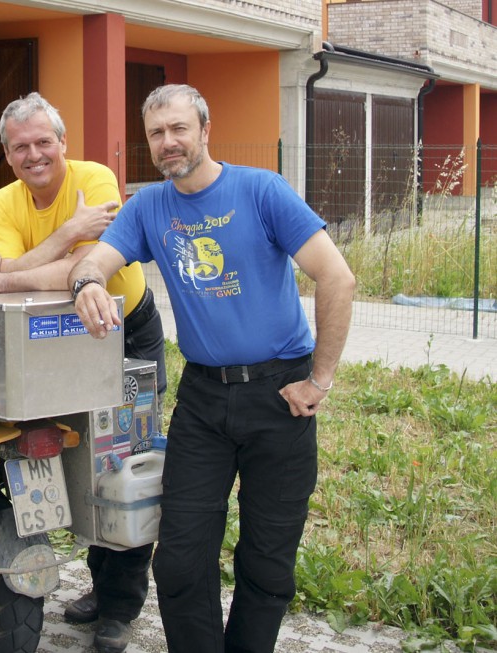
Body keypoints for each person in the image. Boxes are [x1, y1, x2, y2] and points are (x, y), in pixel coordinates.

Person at [68, 84, 356, 653]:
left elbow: (337, 277)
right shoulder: (150, 206)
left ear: (204, 128)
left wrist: (319, 379)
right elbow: (95, 259)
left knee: (268, 561)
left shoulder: (261, 190)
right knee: (178, 560)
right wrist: (87, 284)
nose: (168, 142)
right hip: (203, 401)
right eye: (156, 133)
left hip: (281, 394)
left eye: (178, 129)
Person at [0, 92, 167, 653]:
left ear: (63, 143)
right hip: (51, 342)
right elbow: (22, 275)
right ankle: (98, 582)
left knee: (124, 465)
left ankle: (118, 608)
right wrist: (64, 240)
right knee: (77, 458)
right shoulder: (1, 204)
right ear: (8, 156)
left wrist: (12, 274)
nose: (34, 154)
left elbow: (88, 273)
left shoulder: (96, 180)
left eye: (44, 142)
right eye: (21, 148)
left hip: (124, 332)